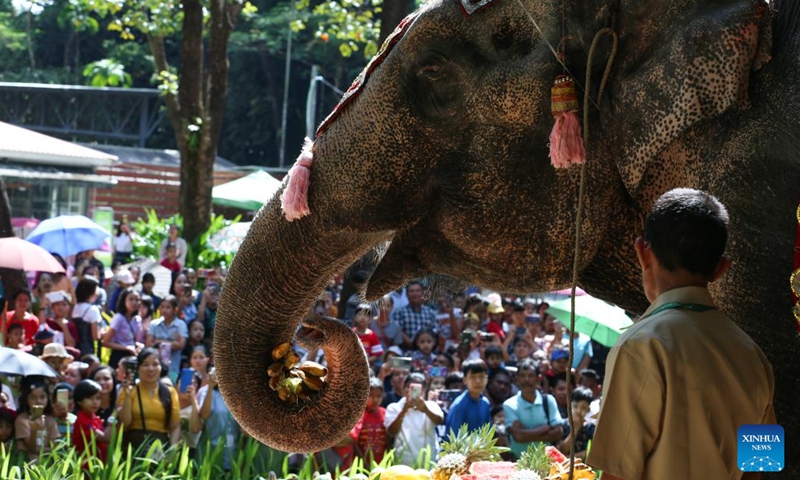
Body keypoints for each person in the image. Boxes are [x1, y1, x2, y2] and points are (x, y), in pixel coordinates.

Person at [587, 188, 776, 480]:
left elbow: (617, 473)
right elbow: (760, 466)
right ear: (720, 268)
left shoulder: (640, 347)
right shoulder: (753, 355)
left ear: (643, 252)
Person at [118, 348, 181, 450]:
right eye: (145, 364)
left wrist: (172, 449)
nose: (151, 369)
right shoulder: (129, 390)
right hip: (133, 445)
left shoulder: (169, 392)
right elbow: (125, 422)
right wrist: (128, 397)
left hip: (160, 447)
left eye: (155, 364)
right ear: (138, 368)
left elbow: (175, 427)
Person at [503, 358, 562, 460]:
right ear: (517, 379)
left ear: (538, 378)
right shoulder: (509, 404)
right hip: (519, 461)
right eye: (522, 376)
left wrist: (526, 434)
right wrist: (545, 428)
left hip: (545, 461)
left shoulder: (548, 401)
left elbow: (558, 433)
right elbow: (518, 437)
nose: (526, 380)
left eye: (531, 376)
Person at [384, 372, 444, 467]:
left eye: (419, 388)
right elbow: (391, 431)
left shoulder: (431, 405)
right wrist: (404, 410)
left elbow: (439, 421)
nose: (414, 391)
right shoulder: (394, 407)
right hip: (404, 463)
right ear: (404, 389)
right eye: (411, 387)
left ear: (424, 390)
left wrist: (425, 410)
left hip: (429, 462)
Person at [198, 368, 240, 471]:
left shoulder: (236, 396)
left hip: (230, 447)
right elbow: (204, 415)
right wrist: (210, 387)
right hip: (209, 445)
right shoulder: (205, 391)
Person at [15, 378, 60, 461]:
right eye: (33, 397)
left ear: (48, 398)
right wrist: (34, 430)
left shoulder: (50, 420)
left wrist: (40, 450)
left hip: (47, 464)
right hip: (27, 465)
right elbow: (31, 449)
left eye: (42, 397)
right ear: (26, 400)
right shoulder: (22, 420)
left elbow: (55, 447)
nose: (38, 401)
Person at [445, 359, 491, 434]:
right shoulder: (459, 405)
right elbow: (453, 438)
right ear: (465, 380)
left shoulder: (485, 403)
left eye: (481, 376)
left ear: (487, 379)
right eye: (473, 377)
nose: (478, 381)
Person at [72, 379, 113, 464]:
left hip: (98, 464)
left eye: (98, 398)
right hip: (87, 468)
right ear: (79, 401)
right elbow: (106, 438)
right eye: (90, 398)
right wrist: (110, 423)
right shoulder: (83, 421)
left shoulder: (94, 417)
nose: (95, 402)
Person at [146, 294, 187, 377]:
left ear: (175, 309)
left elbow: (181, 344)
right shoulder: (154, 324)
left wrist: (159, 341)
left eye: (168, 307)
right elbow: (149, 344)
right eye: (162, 307)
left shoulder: (180, 325)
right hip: (155, 367)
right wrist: (173, 343)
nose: (164, 310)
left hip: (172, 368)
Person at [102, 287, 144, 369]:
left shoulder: (137, 319)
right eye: (131, 299)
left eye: (137, 300)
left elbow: (133, 340)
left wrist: (139, 346)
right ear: (124, 300)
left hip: (132, 356)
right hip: (119, 356)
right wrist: (126, 348)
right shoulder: (119, 318)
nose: (134, 302)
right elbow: (106, 342)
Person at [351, 377, 389, 464]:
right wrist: (364, 463)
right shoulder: (358, 414)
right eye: (371, 396)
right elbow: (354, 443)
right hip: (361, 463)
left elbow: (388, 440)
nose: (375, 400)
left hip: (381, 463)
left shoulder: (384, 413)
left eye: (378, 396)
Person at [391, 281, 438, 349]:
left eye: (417, 291)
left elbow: (435, 330)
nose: (415, 293)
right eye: (412, 291)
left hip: (428, 351)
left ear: (422, 293)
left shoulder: (430, 312)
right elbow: (397, 330)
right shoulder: (400, 312)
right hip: (407, 351)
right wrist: (412, 343)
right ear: (407, 294)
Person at [556, 386, 594, 459]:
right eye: (575, 406)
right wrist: (575, 429)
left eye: (583, 408)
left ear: (588, 410)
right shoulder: (562, 425)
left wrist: (568, 458)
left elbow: (589, 452)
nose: (578, 411)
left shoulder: (591, 428)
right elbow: (562, 450)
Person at [72, 276, 103, 357]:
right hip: (89, 350)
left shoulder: (75, 307)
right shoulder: (93, 309)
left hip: (76, 348)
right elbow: (95, 336)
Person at [353, 303, 384, 368]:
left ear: (370, 319)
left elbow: (375, 355)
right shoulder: (350, 333)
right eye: (360, 314)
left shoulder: (372, 335)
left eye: (366, 315)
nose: (362, 317)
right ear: (355, 318)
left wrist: (363, 363)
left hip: (367, 366)